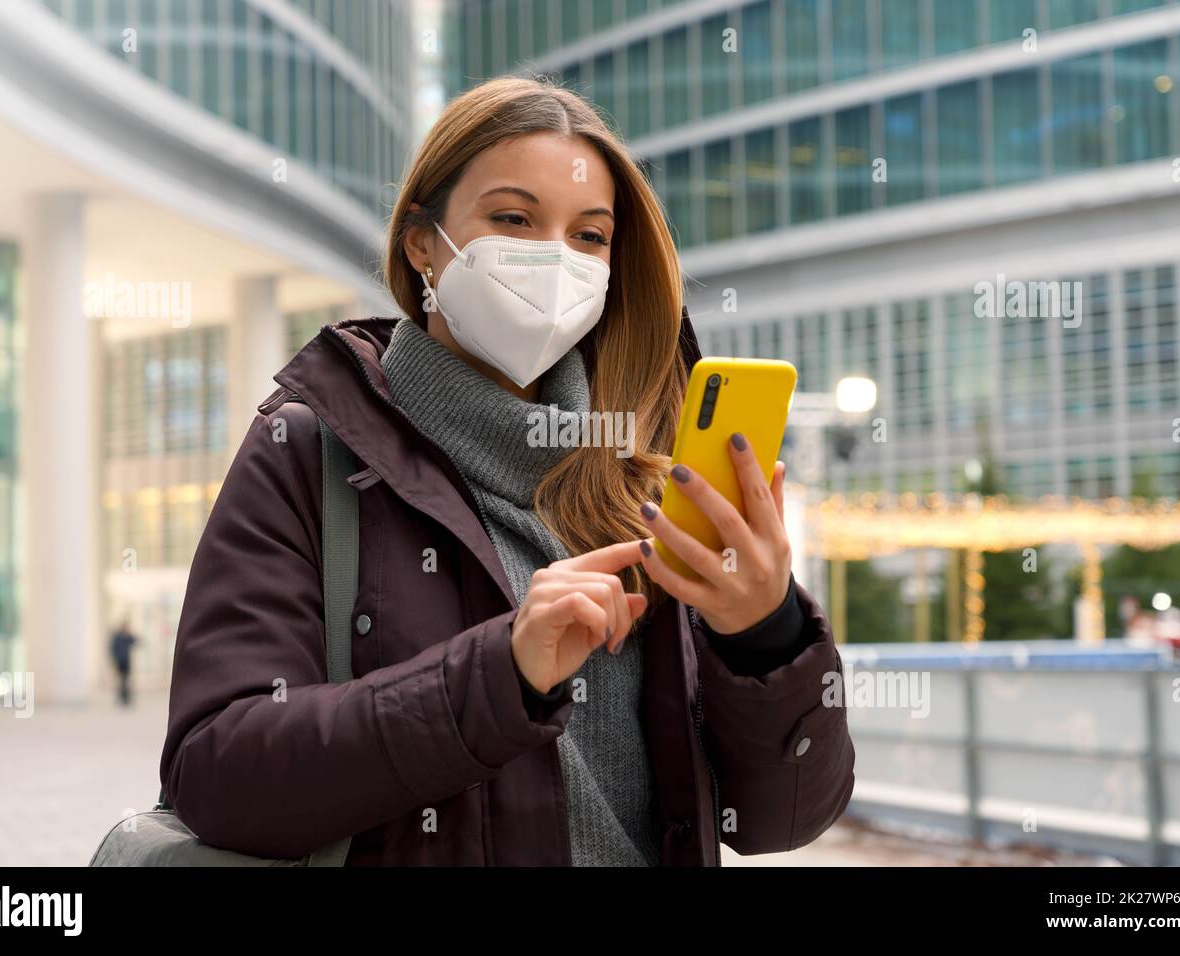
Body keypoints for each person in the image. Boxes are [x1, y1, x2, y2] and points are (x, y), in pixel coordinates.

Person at [159, 76, 854, 866]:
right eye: (514, 219)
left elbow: (782, 822)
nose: (554, 260)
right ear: (422, 242)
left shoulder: (646, 486)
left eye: (590, 237)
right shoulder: (309, 452)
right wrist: (503, 675)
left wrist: (767, 636)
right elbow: (217, 774)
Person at [109, 619, 138, 707]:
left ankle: (126, 698)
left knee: (126, 681)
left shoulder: (126, 636)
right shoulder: (118, 637)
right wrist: (114, 659)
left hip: (126, 662)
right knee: (121, 681)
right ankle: (121, 698)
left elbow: (134, 640)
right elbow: (113, 649)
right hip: (120, 662)